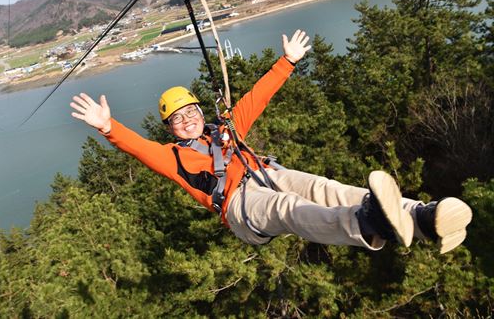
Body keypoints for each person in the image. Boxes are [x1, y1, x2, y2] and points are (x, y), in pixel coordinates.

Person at [70, 29, 472, 253]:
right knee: (288, 208)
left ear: (200, 112)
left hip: (266, 172)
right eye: (178, 119)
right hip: (240, 207)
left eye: (191, 111)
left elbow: (256, 98)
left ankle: (421, 217)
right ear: (170, 128)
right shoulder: (172, 157)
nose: (188, 120)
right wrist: (109, 127)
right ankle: (367, 223)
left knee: (323, 188)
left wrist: (288, 62)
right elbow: (138, 148)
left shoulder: (225, 130)